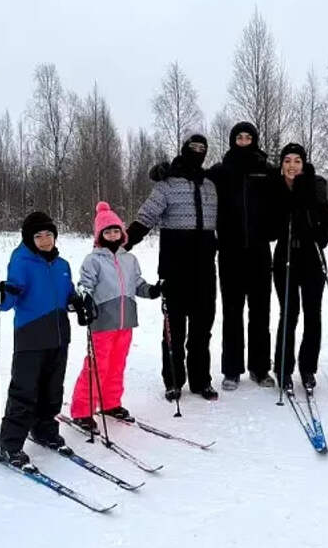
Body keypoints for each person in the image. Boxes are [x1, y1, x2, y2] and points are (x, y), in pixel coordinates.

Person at [0, 211, 86, 469]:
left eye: (49, 235)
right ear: (29, 239)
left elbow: (68, 294)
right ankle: (10, 443)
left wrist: (77, 303)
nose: (44, 240)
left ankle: (44, 429)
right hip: (31, 336)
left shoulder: (62, 265)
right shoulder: (21, 261)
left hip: (59, 336)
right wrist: (0, 293)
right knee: (24, 391)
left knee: (53, 389)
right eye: (38, 236)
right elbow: (10, 299)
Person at [126, 134, 219, 401]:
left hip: (204, 267)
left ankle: (202, 381)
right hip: (175, 266)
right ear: (184, 150)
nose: (198, 152)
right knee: (174, 329)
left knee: (202, 328)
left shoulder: (210, 185)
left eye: (203, 149)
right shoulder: (166, 184)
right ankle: (174, 381)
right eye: (194, 148)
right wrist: (122, 244)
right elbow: (146, 217)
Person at [69, 202, 161, 432]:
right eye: (107, 231)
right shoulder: (94, 260)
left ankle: (110, 403)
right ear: (100, 235)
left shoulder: (129, 259)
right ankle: (82, 410)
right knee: (96, 366)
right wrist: (86, 298)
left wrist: (151, 290)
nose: (112, 234)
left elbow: (137, 284)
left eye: (116, 230)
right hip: (103, 322)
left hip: (126, 320)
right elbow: (85, 285)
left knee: (117, 364)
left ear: (122, 232)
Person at [207, 121, 277, 390]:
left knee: (261, 312)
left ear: (255, 139)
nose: (244, 140)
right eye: (240, 137)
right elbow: (195, 177)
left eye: (249, 137)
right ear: (232, 140)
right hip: (230, 252)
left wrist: (270, 231)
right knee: (232, 312)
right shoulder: (221, 170)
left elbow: (283, 197)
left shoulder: (266, 170)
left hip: (259, 252)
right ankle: (232, 370)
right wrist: (169, 170)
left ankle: (260, 369)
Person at [272, 143, 328, 391]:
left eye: (297, 161)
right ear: (281, 164)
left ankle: (308, 369)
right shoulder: (275, 187)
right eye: (287, 160)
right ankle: (283, 369)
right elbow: (269, 225)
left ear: (303, 163)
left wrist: (319, 237)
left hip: (310, 257)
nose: (291, 166)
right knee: (288, 314)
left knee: (313, 315)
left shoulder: (315, 185)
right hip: (285, 258)